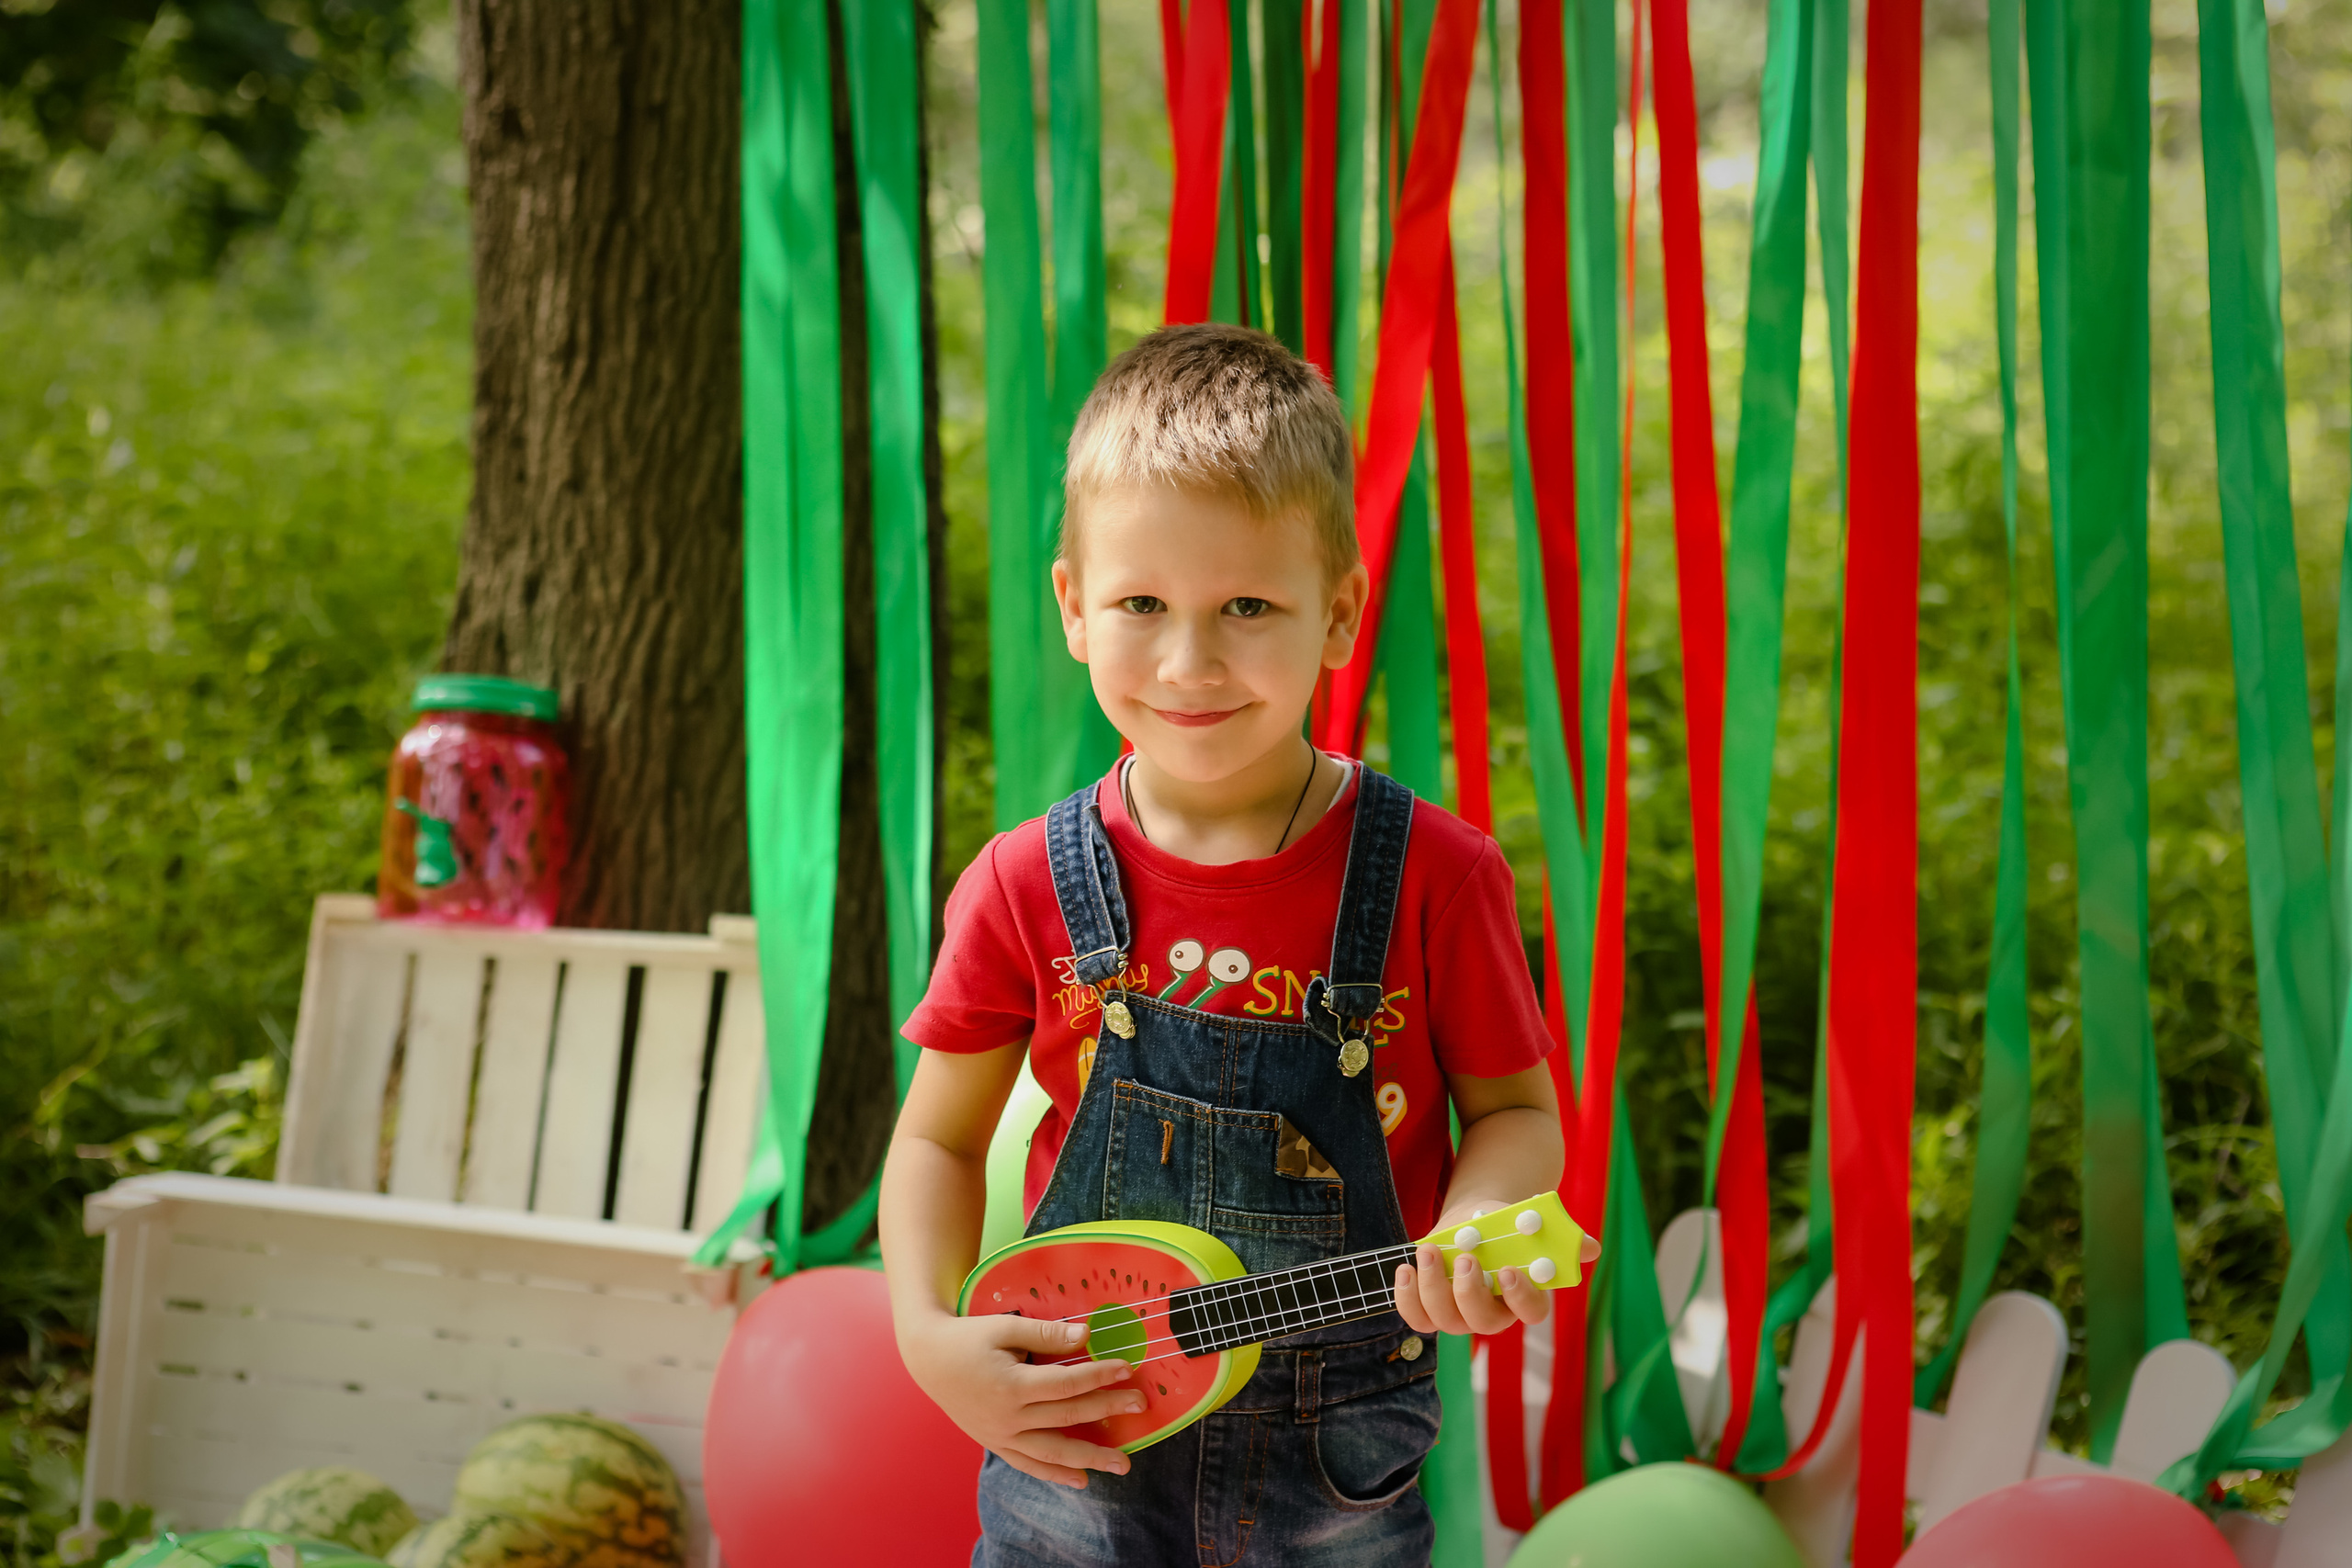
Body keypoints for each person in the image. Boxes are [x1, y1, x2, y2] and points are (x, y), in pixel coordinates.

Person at [879, 321, 1589, 1566]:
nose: (1189, 660)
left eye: (1247, 605)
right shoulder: (1022, 884)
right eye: (1141, 603)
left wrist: (1481, 1217)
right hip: (1077, 1437)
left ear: (1338, 613)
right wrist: (928, 1339)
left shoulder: (1437, 875)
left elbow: (1520, 1114)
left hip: (1338, 1467)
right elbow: (938, 1136)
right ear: (1073, 610)